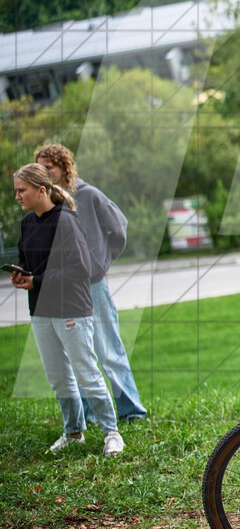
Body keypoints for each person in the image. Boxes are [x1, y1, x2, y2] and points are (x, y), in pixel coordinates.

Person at [11, 163, 124, 456]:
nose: (17, 197)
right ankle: (73, 432)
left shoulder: (66, 220)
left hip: (71, 308)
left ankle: (112, 432)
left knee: (86, 372)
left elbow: (80, 270)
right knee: (58, 376)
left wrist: (35, 280)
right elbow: (29, 261)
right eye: (16, 191)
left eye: (21, 191)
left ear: (41, 190)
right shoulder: (27, 223)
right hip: (40, 309)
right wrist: (21, 274)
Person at [35, 144, 146, 423]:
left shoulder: (89, 195)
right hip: (64, 289)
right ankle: (91, 416)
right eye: (41, 168)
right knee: (76, 354)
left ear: (64, 167)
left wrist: (102, 263)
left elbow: (119, 227)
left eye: (49, 167)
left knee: (108, 349)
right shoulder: (46, 204)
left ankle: (131, 411)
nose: (45, 173)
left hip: (92, 285)